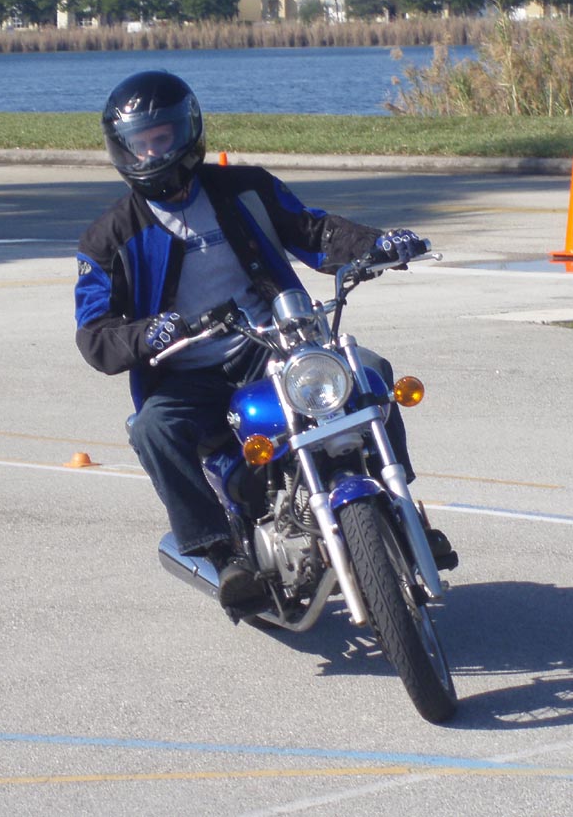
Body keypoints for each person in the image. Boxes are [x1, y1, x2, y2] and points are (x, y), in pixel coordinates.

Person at [74, 70, 450, 616]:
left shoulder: (244, 188)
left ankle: (401, 506)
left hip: (271, 345)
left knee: (367, 371)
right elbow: (95, 332)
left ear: (187, 132)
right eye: (140, 142)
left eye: (163, 136)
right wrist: (150, 332)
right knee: (153, 429)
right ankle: (222, 554)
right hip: (185, 370)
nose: (153, 152)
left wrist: (379, 244)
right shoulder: (108, 237)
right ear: (122, 149)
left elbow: (313, 231)